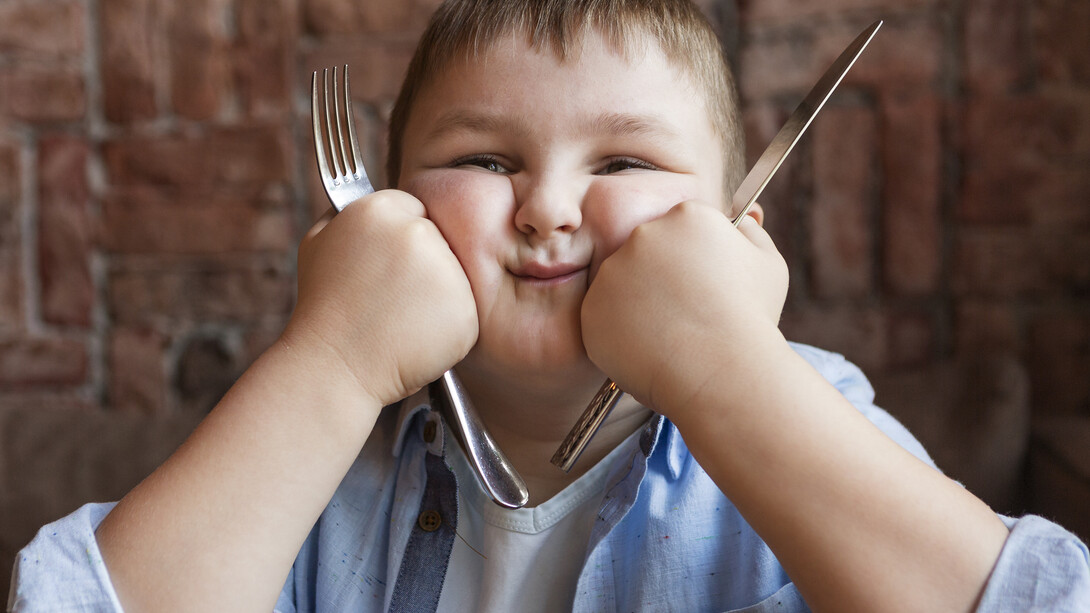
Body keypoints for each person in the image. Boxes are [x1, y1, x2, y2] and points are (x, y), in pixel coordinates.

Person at [10, 0, 1089, 611]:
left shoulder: (809, 418)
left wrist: (726, 368)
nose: (550, 208)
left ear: (732, 232)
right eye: (483, 156)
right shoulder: (312, 451)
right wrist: (333, 360)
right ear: (390, 218)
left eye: (623, 158)